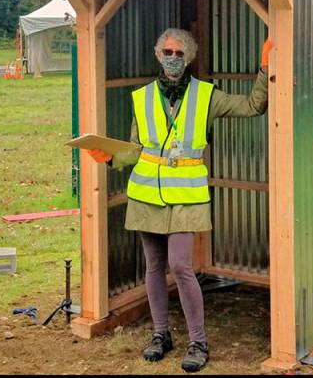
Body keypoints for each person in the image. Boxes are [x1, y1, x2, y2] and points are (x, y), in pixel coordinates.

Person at [88, 28, 272, 373]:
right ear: (158, 55)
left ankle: (198, 341)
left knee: (182, 266)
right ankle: (161, 335)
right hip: (146, 194)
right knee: (154, 269)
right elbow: (135, 149)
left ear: (189, 57)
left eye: (179, 53)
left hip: (186, 197)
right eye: (167, 52)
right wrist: (110, 157)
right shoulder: (141, 97)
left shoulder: (207, 96)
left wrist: (265, 68)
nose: (173, 58)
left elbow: (253, 106)